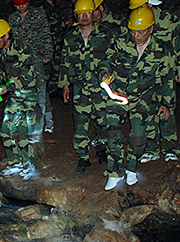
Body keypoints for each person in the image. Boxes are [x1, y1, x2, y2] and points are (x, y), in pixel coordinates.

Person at [97, 7, 174, 190]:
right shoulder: (120, 42)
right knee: (113, 134)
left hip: (143, 98)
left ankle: (132, 169)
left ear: (151, 29)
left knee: (138, 136)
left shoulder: (161, 50)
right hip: (117, 95)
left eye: (141, 31)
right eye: (133, 31)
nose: (136, 35)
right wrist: (104, 73)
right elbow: (105, 61)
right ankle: (114, 172)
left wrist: (166, 104)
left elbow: (167, 79)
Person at [58, 0, 112, 174]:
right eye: (80, 14)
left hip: (100, 87)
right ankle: (83, 157)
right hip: (80, 87)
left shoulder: (105, 34)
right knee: (81, 123)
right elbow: (65, 62)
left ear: (93, 14)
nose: (83, 16)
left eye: (87, 13)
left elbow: (112, 58)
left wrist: (108, 75)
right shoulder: (70, 37)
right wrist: (65, 84)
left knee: (102, 120)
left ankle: (102, 148)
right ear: (76, 15)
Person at [129, 0, 180, 164]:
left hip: (166, 70)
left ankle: (170, 148)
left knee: (168, 108)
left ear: (149, 4)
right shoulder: (137, 22)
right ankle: (151, 149)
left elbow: (179, 44)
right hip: (148, 73)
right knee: (150, 107)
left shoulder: (169, 19)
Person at [0, 19, 39, 179]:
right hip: (14, 94)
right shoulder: (0, 51)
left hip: (27, 94)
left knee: (22, 132)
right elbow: (0, 70)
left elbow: (28, 76)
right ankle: (15, 163)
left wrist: (6, 88)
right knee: (6, 131)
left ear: (6, 35)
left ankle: (30, 166)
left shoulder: (22, 49)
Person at [8, 0, 54, 135]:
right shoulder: (12, 19)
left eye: (23, 3)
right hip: (20, 60)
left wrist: (48, 53)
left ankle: (48, 119)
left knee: (41, 88)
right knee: (21, 88)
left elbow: (46, 34)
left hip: (36, 58)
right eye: (18, 4)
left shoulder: (38, 14)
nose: (21, 7)